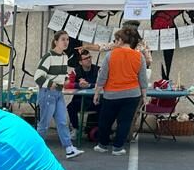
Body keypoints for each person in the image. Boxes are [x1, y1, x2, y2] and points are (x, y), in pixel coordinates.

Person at [93, 28, 148, 156]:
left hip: (111, 94)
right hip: (132, 94)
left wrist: (97, 92)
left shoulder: (111, 55)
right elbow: (143, 79)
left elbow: (102, 76)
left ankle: (103, 145)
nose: (114, 42)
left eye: (116, 40)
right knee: (124, 122)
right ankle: (118, 147)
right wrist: (144, 96)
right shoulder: (139, 56)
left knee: (105, 121)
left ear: (121, 40)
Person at [34, 31, 84, 160]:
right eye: (63, 39)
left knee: (62, 122)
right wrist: (51, 84)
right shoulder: (48, 56)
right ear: (56, 41)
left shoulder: (64, 56)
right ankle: (35, 150)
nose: (66, 42)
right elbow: (38, 76)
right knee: (44, 124)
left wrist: (66, 78)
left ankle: (69, 148)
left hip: (58, 93)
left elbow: (62, 73)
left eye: (67, 39)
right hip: (48, 93)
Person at [79, 19, 154, 69]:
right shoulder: (118, 42)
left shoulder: (142, 43)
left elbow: (149, 61)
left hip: (136, 73)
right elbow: (101, 47)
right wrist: (86, 47)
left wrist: (139, 60)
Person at [65, 49, 100, 133]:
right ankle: (75, 129)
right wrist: (78, 85)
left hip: (94, 100)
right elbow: (67, 84)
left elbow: (103, 83)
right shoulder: (75, 71)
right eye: (86, 58)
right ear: (80, 62)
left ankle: (98, 130)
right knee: (70, 107)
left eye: (89, 57)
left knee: (104, 106)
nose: (89, 59)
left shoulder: (98, 70)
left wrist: (89, 85)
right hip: (80, 100)